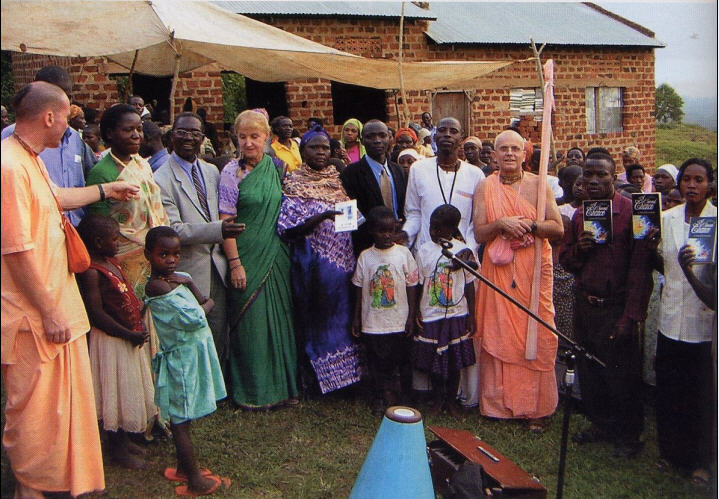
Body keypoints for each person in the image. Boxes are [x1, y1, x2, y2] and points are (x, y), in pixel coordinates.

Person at [1, 81, 139, 498]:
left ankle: (60, 483)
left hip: (52, 305)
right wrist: (49, 310)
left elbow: (55, 198)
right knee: (33, 411)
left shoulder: (30, 159)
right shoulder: (8, 166)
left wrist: (105, 189)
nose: (68, 126)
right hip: (32, 315)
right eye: (65, 118)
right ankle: (31, 489)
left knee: (61, 405)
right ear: (48, 117)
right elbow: (15, 250)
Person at [560, 151, 655, 457]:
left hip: (617, 307)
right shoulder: (580, 215)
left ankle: (629, 436)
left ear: (614, 178)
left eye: (602, 175)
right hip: (586, 305)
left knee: (622, 374)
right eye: (589, 175)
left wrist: (630, 317)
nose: (594, 181)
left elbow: (641, 270)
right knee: (591, 371)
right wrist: (581, 249)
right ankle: (600, 424)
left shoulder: (633, 212)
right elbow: (567, 261)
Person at [473, 129, 563, 429]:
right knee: (499, 329)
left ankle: (535, 408)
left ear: (525, 153)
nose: (509, 154)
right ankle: (499, 406)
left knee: (538, 329)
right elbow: (480, 233)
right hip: (498, 268)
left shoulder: (540, 184)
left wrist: (529, 226)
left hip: (534, 266)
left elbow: (557, 229)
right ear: (494, 155)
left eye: (515, 148)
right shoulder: (486, 186)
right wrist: (501, 224)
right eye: (503, 149)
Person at [219, 109, 299, 410]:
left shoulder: (278, 168)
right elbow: (225, 222)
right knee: (250, 322)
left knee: (280, 317)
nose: (249, 143)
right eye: (243, 137)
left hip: (276, 251)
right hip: (245, 253)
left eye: (255, 136)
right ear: (236, 139)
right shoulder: (231, 172)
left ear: (267, 137)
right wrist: (235, 263)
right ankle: (253, 391)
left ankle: (284, 388)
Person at [154, 112, 245, 367]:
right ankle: (196, 390)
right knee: (192, 331)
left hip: (218, 262)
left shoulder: (211, 171)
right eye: (182, 132)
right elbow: (173, 231)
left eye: (195, 133)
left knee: (219, 327)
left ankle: (218, 388)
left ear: (203, 139)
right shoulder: (161, 178)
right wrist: (219, 231)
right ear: (171, 137)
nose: (188, 138)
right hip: (189, 266)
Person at [143, 227, 230, 496]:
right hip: (181, 359)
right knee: (180, 422)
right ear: (149, 255)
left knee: (186, 416)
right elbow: (197, 315)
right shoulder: (157, 286)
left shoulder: (176, 280)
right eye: (163, 254)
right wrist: (203, 300)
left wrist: (191, 283)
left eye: (176, 254)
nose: (171, 260)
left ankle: (183, 468)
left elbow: (202, 302)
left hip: (190, 355)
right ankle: (194, 481)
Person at [278, 126, 363, 394]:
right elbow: (287, 229)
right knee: (317, 320)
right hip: (312, 265)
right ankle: (317, 382)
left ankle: (346, 382)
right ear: (302, 151)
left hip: (341, 266)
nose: (320, 152)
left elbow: (351, 218)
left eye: (325, 147)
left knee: (342, 320)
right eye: (314, 147)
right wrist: (322, 217)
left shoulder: (336, 180)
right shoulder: (293, 182)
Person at [76, 214, 156, 470]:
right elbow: (96, 314)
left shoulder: (111, 262)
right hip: (111, 339)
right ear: (98, 242)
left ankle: (124, 438)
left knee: (126, 387)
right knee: (114, 391)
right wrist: (126, 333)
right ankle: (116, 447)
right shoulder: (91, 272)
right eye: (114, 239)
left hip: (126, 335)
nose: (119, 242)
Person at [654, 158, 716, 486]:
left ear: (710, 185)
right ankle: (670, 453)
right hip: (670, 318)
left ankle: (701, 461)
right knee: (670, 389)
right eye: (686, 180)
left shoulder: (717, 222)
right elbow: (661, 261)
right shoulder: (668, 218)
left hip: (703, 325)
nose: (691, 186)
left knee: (701, 395)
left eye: (699, 180)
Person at [86, 103, 170, 298]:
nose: (136, 135)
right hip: (123, 258)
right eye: (128, 130)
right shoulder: (102, 173)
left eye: (139, 129)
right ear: (110, 133)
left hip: (154, 253)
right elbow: (97, 224)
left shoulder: (142, 163)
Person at [1, 65, 97, 225]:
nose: (65, 102)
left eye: (68, 96)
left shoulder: (74, 137)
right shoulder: (12, 144)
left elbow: (57, 194)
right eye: (57, 95)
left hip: (74, 231)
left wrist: (107, 190)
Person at [352, 206, 419, 415]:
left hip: (399, 321)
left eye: (391, 230)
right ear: (372, 231)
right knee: (377, 363)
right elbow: (359, 288)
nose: (387, 235)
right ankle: (379, 397)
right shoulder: (365, 257)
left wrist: (411, 315)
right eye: (381, 231)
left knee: (403, 361)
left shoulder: (403, 254)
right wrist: (356, 319)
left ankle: (405, 398)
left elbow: (412, 285)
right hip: (374, 323)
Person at [413, 205, 477, 415]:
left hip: (457, 314)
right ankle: (437, 399)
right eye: (431, 227)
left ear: (450, 230)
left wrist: (472, 315)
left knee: (454, 362)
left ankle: (451, 400)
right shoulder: (423, 251)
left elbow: (470, 283)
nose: (432, 232)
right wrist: (416, 312)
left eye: (437, 228)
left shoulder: (462, 250)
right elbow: (419, 284)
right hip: (432, 314)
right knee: (435, 360)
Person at [402, 117, 485, 253]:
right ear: (435, 137)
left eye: (453, 131)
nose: (447, 134)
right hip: (425, 251)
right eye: (442, 130)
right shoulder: (418, 169)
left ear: (461, 138)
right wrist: (405, 235)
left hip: (460, 253)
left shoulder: (475, 174)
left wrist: (469, 249)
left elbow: (476, 221)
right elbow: (414, 213)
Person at [340, 119, 407, 256]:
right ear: (362, 140)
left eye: (382, 135)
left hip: (399, 245)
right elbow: (348, 219)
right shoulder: (350, 174)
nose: (377, 140)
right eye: (370, 136)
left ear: (390, 138)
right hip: (368, 248)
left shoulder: (399, 171)